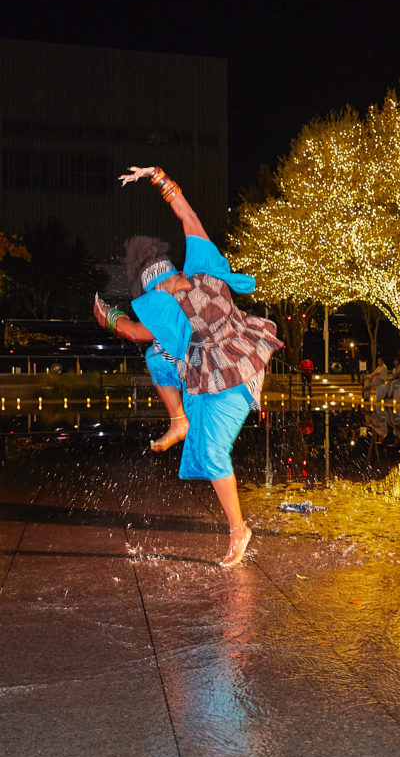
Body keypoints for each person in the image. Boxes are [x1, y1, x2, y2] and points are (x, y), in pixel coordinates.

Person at [93, 165, 283, 567]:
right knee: (158, 359)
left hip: (234, 379)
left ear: (157, 287)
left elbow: (135, 332)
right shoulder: (203, 271)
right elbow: (189, 218)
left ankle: (239, 531)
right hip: (225, 363)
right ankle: (179, 420)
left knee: (212, 449)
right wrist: (159, 177)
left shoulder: (171, 310)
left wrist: (107, 317)